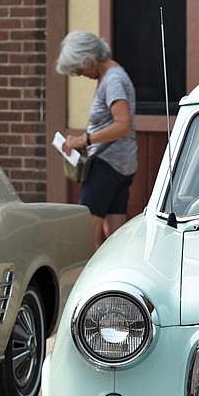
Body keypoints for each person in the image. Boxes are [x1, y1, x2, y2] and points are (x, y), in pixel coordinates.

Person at [57, 31, 138, 246]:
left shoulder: (112, 80)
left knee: (87, 229)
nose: (79, 74)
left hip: (108, 165)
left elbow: (123, 124)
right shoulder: (113, 76)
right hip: (121, 163)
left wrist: (84, 140)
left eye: (78, 68)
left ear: (89, 58)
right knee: (115, 233)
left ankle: (92, 277)